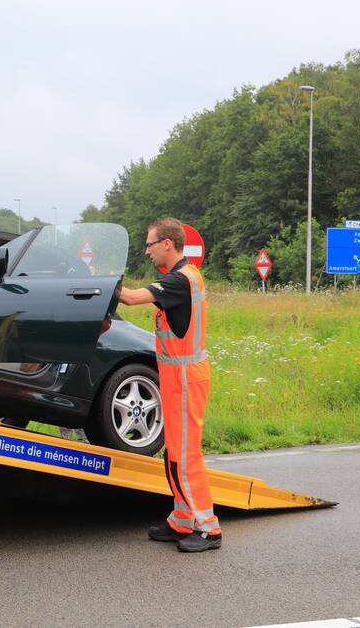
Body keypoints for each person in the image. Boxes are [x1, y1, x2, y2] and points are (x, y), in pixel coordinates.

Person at [118, 217, 221, 553]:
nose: (146, 251)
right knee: (174, 453)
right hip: (178, 377)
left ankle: (208, 529)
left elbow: (132, 298)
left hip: (187, 378)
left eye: (149, 244)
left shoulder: (180, 280)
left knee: (186, 455)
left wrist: (102, 285)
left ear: (167, 244)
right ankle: (182, 519)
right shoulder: (177, 278)